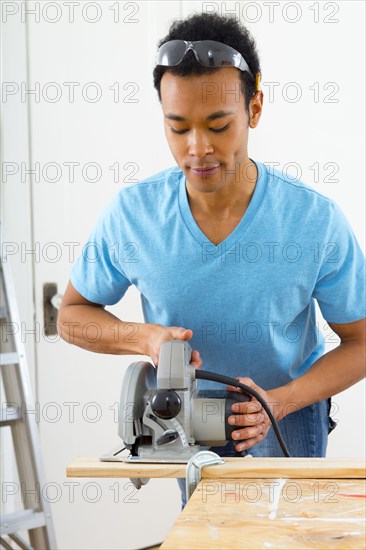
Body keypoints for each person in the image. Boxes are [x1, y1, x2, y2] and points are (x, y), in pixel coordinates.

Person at [58, 13, 365, 508]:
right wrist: (144, 337)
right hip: (184, 417)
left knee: (290, 539)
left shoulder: (314, 221)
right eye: (177, 128)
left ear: (255, 108)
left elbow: (361, 341)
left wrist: (278, 403)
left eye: (218, 126)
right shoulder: (133, 216)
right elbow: (71, 318)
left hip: (289, 410)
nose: (197, 149)